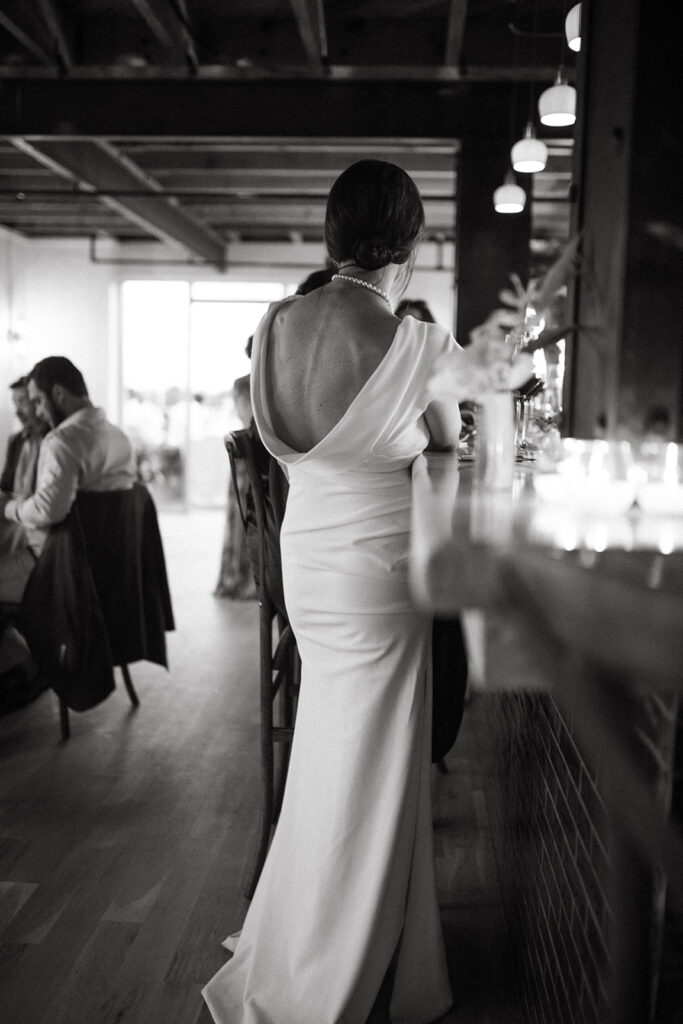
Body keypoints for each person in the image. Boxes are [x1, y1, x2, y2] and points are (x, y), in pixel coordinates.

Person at [202, 160, 461, 1024]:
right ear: (409, 247)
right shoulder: (416, 343)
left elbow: (273, 434)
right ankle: (339, 963)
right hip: (381, 573)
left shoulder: (276, 323)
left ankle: (310, 928)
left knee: (328, 751)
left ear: (331, 237)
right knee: (375, 764)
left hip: (306, 562)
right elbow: (453, 441)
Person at [0, 356, 135, 604]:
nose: (38, 412)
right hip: (107, 565)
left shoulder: (62, 441)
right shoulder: (120, 438)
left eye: (38, 401)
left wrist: (7, 506)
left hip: (57, 563)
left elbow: (46, 510)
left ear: (59, 394)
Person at [214, 374, 257, 599]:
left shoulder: (246, 384)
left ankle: (242, 575)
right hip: (244, 473)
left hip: (246, 475)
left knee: (244, 520)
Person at [0, 375, 48, 497]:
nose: (17, 411)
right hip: (12, 513)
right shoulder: (15, 440)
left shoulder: (54, 440)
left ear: (37, 401)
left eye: (22, 402)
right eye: (15, 403)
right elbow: (5, 486)